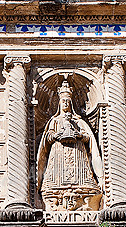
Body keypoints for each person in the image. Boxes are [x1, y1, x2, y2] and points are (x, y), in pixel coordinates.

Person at [36, 80, 103, 210]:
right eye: (63, 101)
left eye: (67, 101)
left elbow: (88, 137)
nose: (65, 103)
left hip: (77, 152)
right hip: (58, 152)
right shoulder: (54, 121)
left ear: (71, 104)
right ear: (60, 104)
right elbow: (47, 138)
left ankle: (83, 192)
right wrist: (55, 136)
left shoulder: (78, 121)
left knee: (81, 176)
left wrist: (79, 135)